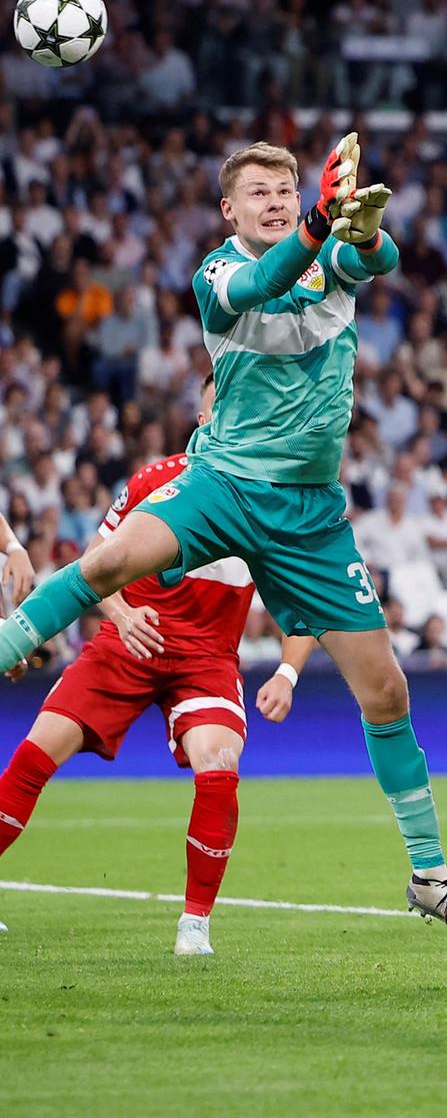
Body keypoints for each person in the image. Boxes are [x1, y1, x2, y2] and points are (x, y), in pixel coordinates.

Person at [0, 135, 447, 942]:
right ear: (230, 210)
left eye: (285, 188)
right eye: (257, 192)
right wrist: (324, 225)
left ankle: (431, 875)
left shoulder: (330, 249)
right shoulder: (217, 273)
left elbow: (383, 258)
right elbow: (263, 281)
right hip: (225, 483)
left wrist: (360, 232)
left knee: (387, 691)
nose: (273, 199)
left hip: (310, 513)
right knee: (112, 560)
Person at [0, 377, 289, 954]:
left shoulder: (269, 494)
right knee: (37, 750)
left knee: (219, 765)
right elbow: (93, 567)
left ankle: (195, 925)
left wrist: (288, 670)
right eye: (217, 396)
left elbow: (298, 603)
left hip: (206, 657)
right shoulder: (155, 480)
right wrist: (123, 612)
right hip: (126, 641)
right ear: (203, 410)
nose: (224, 406)